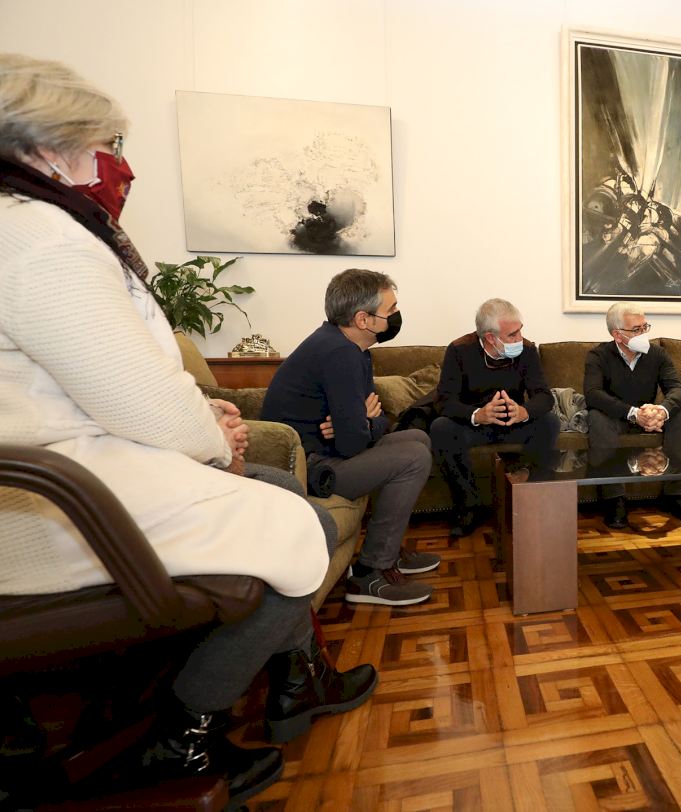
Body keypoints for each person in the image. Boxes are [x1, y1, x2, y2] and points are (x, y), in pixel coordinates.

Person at [0, 54, 374, 806]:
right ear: (47, 147)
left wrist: (204, 418)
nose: (113, 164)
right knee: (298, 525)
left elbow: (100, 380)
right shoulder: (39, 237)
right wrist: (214, 438)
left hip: (71, 474)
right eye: (101, 144)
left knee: (277, 489)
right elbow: (135, 398)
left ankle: (299, 678)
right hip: (54, 503)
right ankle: (183, 732)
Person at [261, 269, 436, 607]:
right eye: (390, 310)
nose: (396, 315)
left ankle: (388, 548)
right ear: (362, 319)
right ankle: (370, 573)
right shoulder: (338, 353)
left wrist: (363, 422)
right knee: (413, 457)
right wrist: (361, 424)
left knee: (417, 438)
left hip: (331, 451)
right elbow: (354, 442)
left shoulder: (354, 349)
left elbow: (377, 420)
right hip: (311, 469)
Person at [431, 298, 560, 536]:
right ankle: (469, 507)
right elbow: (445, 401)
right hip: (476, 425)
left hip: (513, 423)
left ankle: (531, 498)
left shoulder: (527, 350)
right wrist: (477, 415)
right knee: (441, 428)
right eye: (512, 334)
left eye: (520, 330)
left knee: (550, 422)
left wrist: (524, 412)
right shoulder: (459, 350)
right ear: (491, 337)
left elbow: (544, 396)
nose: (520, 338)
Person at [584, 302, 681, 528]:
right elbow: (593, 394)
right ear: (617, 335)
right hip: (617, 417)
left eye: (645, 327)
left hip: (651, 415)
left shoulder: (657, 353)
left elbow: (677, 389)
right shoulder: (598, 355)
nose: (643, 334)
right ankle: (614, 498)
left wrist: (662, 411)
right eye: (636, 329)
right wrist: (633, 413)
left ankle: (675, 493)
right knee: (596, 417)